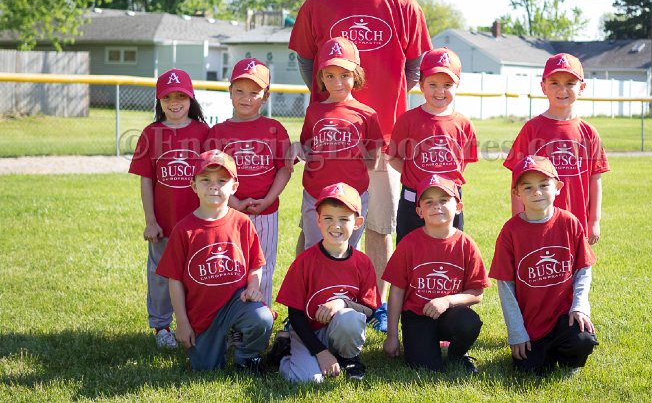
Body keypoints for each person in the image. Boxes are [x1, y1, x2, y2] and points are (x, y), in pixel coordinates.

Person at [289, 0, 433, 332]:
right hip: (329, 136)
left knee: (378, 225)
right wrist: (333, 101)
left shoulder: (404, 6)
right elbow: (306, 61)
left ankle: (376, 304)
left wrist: (385, 101)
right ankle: (303, 300)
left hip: (382, 138)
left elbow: (415, 67)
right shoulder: (320, 2)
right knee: (317, 223)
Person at [155, 150, 274, 373]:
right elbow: (175, 280)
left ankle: (247, 357)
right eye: (205, 180)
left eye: (222, 181)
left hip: (236, 303)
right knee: (206, 368)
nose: (213, 186)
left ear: (234, 187)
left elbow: (255, 264)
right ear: (193, 185)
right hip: (202, 314)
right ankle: (222, 339)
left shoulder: (242, 223)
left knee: (261, 318)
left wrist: (253, 287)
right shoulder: (184, 230)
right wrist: (182, 323)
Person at [489, 155, 599, 375]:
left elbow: (583, 269)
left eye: (543, 185)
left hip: (564, 318)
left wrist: (579, 306)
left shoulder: (569, 222)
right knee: (528, 370)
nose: (536, 192)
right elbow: (506, 286)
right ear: (516, 193)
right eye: (528, 187)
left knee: (583, 340)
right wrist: (517, 332)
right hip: (532, 325)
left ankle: (568, 359)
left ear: (557, 187)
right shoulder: (511, 232)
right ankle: (544, 353)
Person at [128, 68, 209, 349]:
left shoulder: (203, 132)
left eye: (181, 97)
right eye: (167, 98)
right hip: (165, 222)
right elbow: (146, 180)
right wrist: (151, 220)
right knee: (160, 274)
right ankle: (162, 326)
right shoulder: (151, 134)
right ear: (159, 102)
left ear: (191, 99)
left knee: (199, 273)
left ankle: (199, 322)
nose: (174, 103)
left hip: (198, 220)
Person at [382, 175, 490, 375]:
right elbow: (396, 292)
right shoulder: (408, 244)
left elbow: (477, 293)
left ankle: (458, 354)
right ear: (419, 211)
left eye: (443, 200)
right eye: (429, 202)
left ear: (458, 207)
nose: (436, 206)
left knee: (468, 322)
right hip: (417, 316)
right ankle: (423, 344)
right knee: (425, 368)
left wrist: (447, 301)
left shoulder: (466, 245)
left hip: (450, 313)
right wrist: (392, 336)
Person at [205, 58, 292, 307]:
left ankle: (260, 315)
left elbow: (284, 170)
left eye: (254, 92)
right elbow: (211, 174)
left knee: (264, 263)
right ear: (230, 91)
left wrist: (268, 200)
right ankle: (231, 317)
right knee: (229, 264)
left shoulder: (274, 128)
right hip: (228, 211)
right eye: (240, 91)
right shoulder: (218, 132)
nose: (246, 98)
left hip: (266, 211)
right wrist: (234, 202)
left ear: (265, 96)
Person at [273, 183, 380, 383]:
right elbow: (295, 314)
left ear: (357, 222)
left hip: (340, 331)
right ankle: (284, 351)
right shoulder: (305, 262)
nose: (335, 225)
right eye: (328, 218)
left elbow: (370, 310)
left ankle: (349, 359)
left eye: (344, 219)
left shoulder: (363, 262)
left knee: (349, 317)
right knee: (309, 380)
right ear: (318, 220)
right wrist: (320, 352)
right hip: (307, 333)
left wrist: (342, 303)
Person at [504, 53, 610, 245]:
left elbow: (595, 180)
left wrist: (594, 221)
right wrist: (518, 219)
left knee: (577, 264)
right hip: (537, 220)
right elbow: (517, 180)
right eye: (554, 83)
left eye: (570, 83)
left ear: (582, 87)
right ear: (543, 87)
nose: (562, 89)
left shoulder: (588, 133)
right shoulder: (532, 129)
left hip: (577, 222)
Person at [290, 37, 384, 250]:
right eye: (330, 75)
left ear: (356, 75)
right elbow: (308, 148)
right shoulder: (314, 111)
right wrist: (297, 147)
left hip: (353, 195)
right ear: (321, 77)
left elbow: (373, 161)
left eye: (344, 75)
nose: (337, 82)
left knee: (348, 252)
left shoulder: (367, 114)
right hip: (315, 194)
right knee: (314, 249)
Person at [388, 47, 478, 244]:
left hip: (449, 199)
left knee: (449, 249)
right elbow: (394, 157)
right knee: (408, 250)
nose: (440, 91)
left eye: (447, 85)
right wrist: (415, 174)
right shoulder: (408, 120)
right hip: (414, 199)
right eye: (433, 84)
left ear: (457, 85)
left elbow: (463, 162)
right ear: (421, 84)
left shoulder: (463, 123)